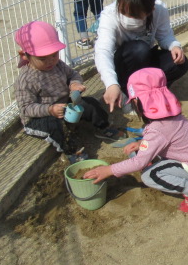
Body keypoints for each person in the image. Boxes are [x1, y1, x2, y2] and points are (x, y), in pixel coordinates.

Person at [83, 68, 188, 213]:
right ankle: (174, 173)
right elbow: (167, 138)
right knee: (146, 154)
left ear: (140, 102)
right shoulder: (171, 115)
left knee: (150, 175)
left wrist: (109, 170)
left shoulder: (158, 129)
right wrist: (141, 144)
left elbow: (139, 162)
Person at [14, 21, 123, 163]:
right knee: (56, 126)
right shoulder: (26, 79)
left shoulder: (58, 65)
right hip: (40, 118)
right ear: (25, 55)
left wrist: (74, 84)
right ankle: (71, 151)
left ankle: (103, 127)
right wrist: (50, 110)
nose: (50, 61)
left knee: (90, 103)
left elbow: (73, 75)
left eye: (54, 55)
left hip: (65, 106)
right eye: (43, 58)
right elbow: (26, 108)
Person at [95, 0, 188, 113]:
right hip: (124, 63)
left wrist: (174, 46)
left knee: (179, 63)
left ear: (151, 10)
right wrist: (111, 83)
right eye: (123, 11)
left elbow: (165, 35)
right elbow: (103, 51)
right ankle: (126, 93)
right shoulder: (109, 15)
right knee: (139, 49)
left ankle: (152, 90)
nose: (128, 17)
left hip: (145, 58)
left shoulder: (159, 9)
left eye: (134, 15)